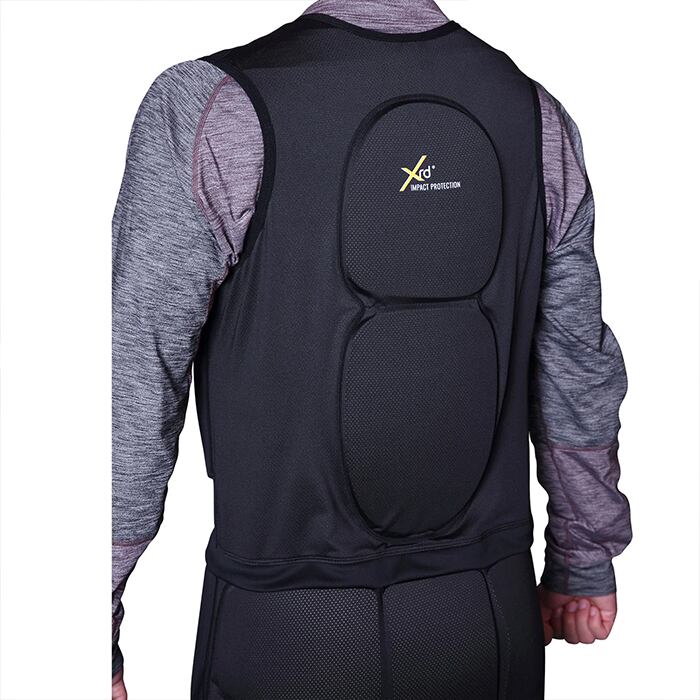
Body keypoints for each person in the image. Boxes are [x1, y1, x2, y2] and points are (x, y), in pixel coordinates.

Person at [112, 1, 632, 698]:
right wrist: (584, 555)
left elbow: (134, 381)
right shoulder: (534, 115)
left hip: (290, 632)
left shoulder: (211, 103)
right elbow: (577, 367)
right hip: (487, 620)